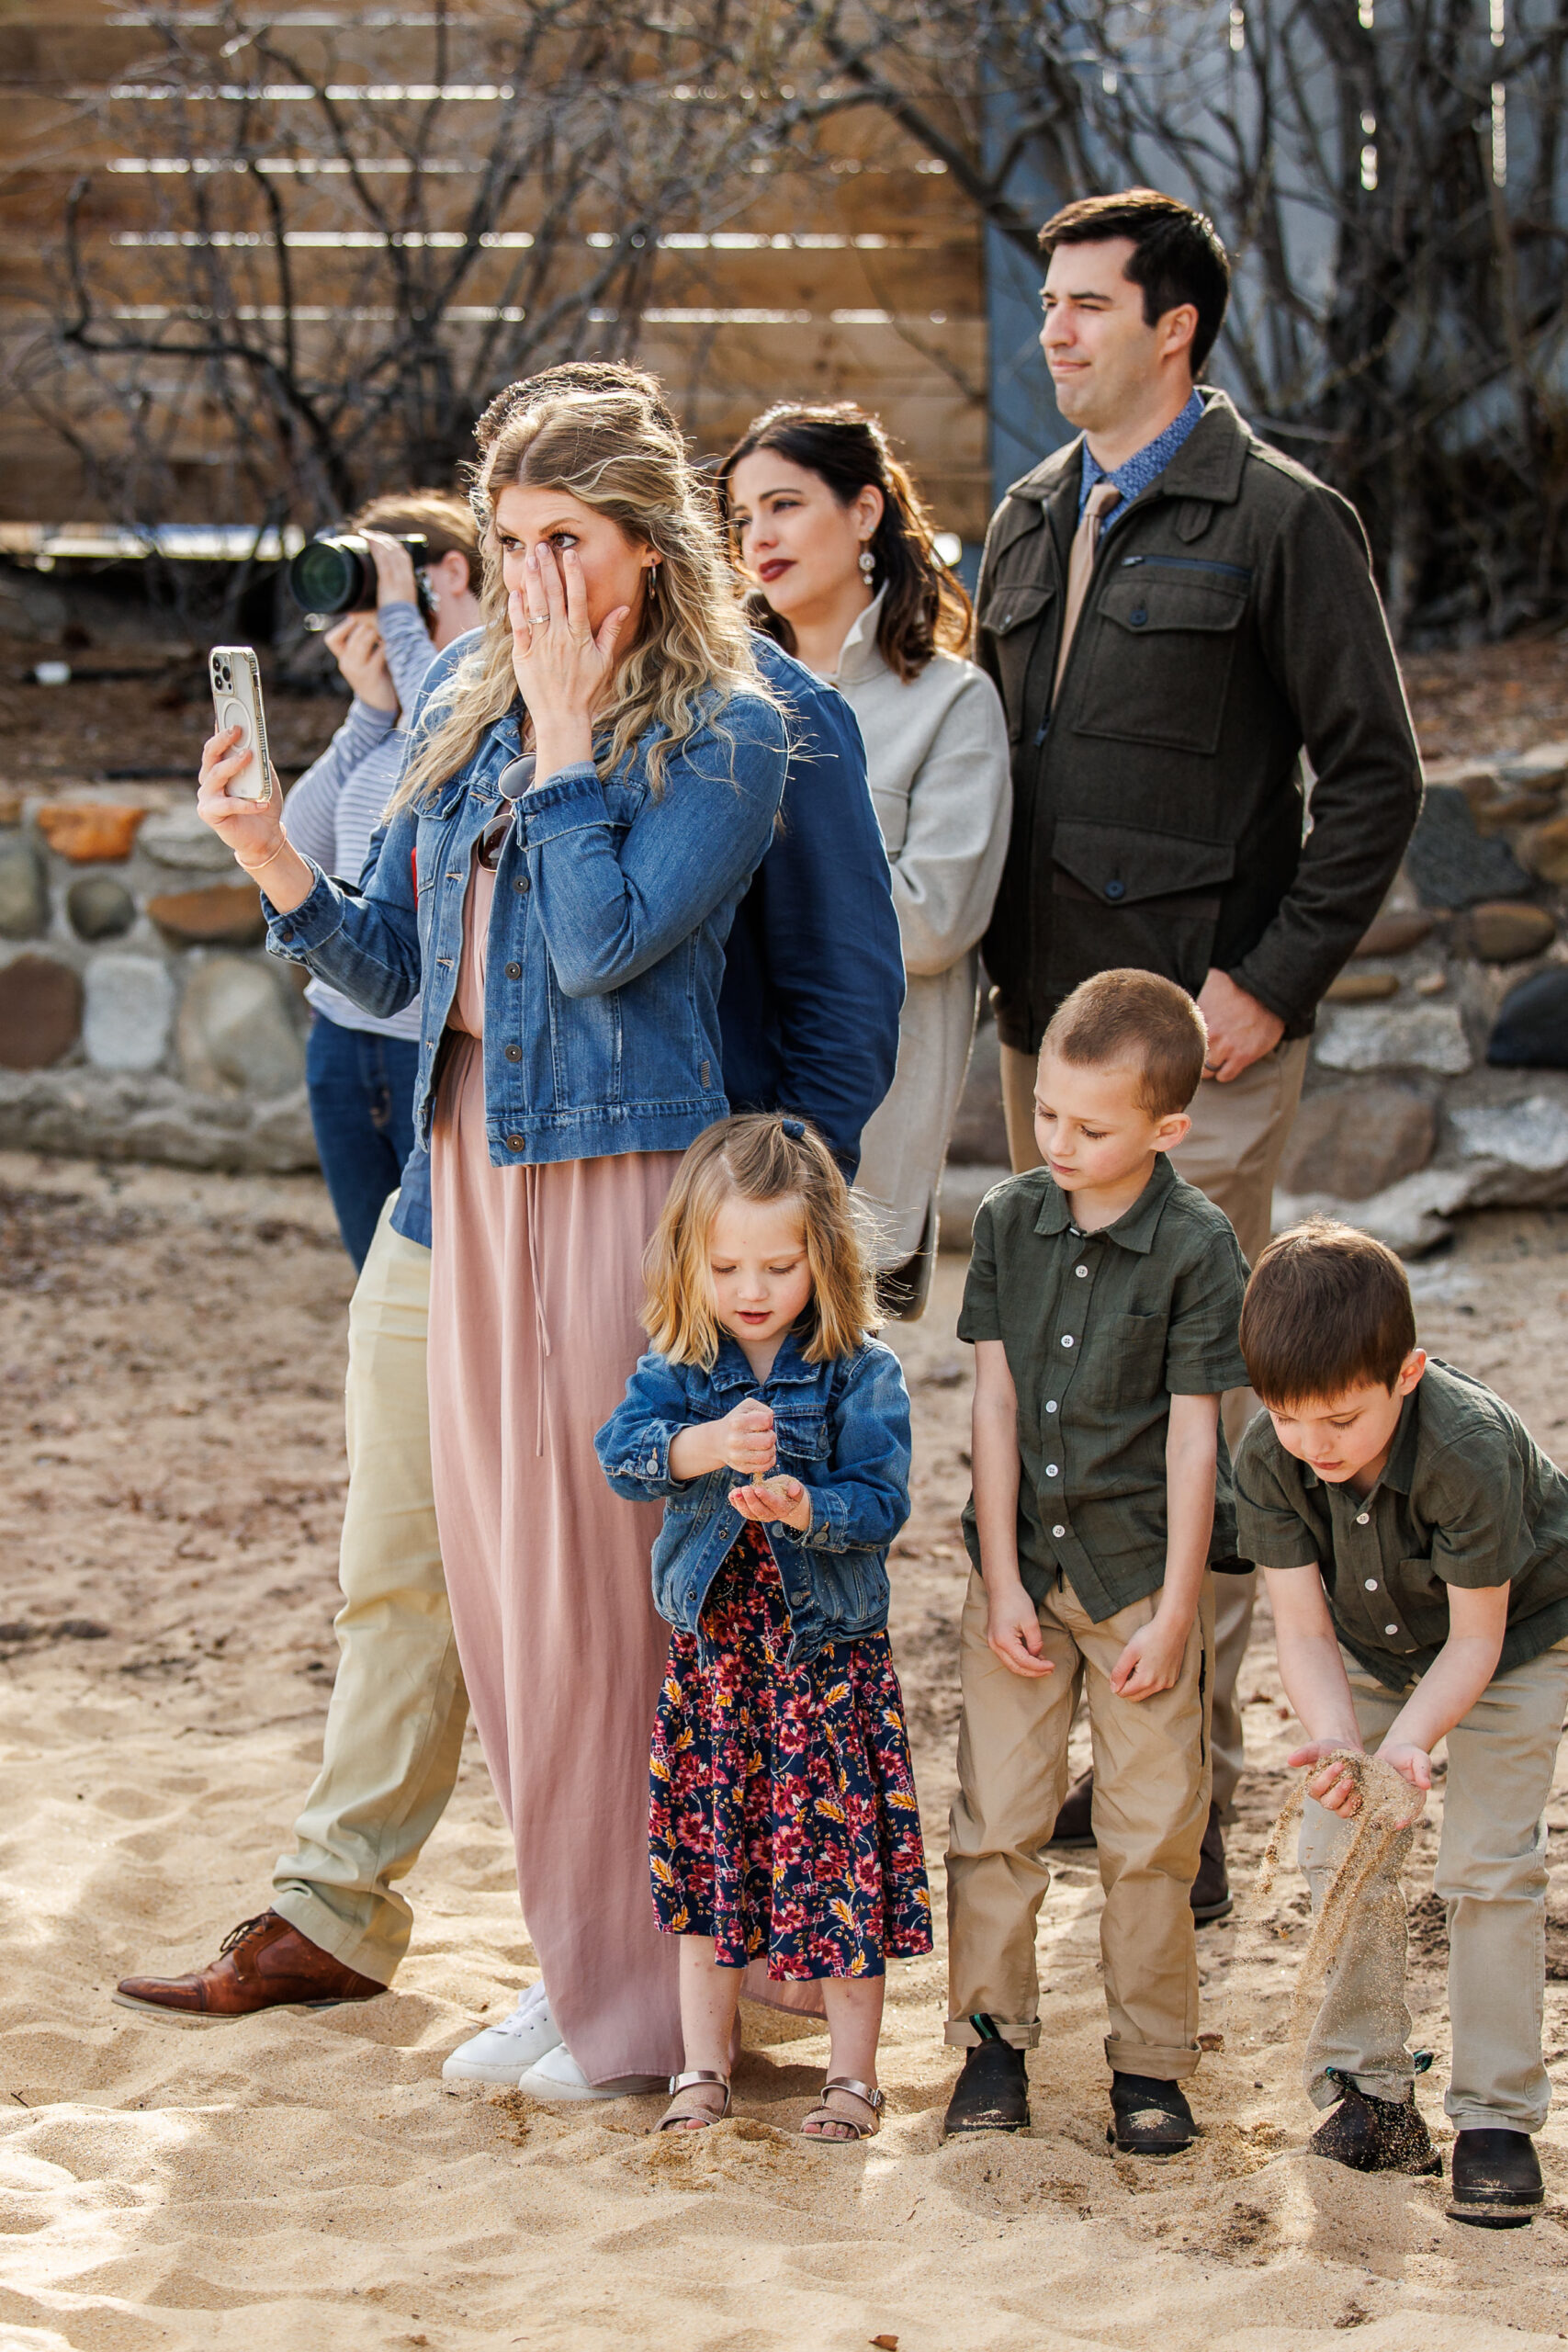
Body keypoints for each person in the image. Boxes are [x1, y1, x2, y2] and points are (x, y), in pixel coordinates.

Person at [112, 364, 904, 2100]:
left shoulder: (734, 722)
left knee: (620, 1605)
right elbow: (401, 976)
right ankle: (585, 1960)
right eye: (512, 539)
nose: (532, 573)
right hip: (466, 1170)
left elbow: (616, 944)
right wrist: (269, 857)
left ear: (648, 544)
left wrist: (559, 734)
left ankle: (641, 1998)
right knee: (506, 1600)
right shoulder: (471, 699)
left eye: (567, 540)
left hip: (633, 1189)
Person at [975, 187, 1423, 1912]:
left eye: (1088, 305)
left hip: (1201, 1067)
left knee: (1190, 1397)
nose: (1055, 332)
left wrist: (1275, 981)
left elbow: (1371, 772)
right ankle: (1105, 1757)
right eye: (1047, 305)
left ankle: (1197, 1802)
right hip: (1045, 1047)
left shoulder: (1282, 519)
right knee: (1067, 1388)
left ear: (1175, 326)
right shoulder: (1021, 519)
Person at [942, 969, 1249, 2147]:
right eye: (1050, 1116)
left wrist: (1177, 1615)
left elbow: (1193, 1442)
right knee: (996, 1822)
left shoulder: (1198, 1246)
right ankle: (990, 2047)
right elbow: (994, 1404)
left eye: (1092, 1125)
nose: (1059, 1141)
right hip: (1019, 1574)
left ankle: (1150, 2067)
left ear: (1167, 1129)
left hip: (1138, 1581)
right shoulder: (1014, 1219)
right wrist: (1003, 1583)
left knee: (1152, 1837)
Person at [595, 1113, 930, 2140]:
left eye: (778, 1265)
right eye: (727, 1264)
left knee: (840, 1872)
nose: (751, 1289)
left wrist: (804, 1506)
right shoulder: (681, 1369)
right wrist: (699, 1446)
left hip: (823, 1666)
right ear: (691, 1264)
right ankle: (704, 2067)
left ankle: (853, 2076)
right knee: (713, 1866)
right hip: (718, 1668)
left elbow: (883, 1503)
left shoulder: (857, 1372)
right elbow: (623, 1452)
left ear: (823, 1259)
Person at [1234, 1221, 1568, 2226]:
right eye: (1290, 1418)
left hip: (1515, 1641)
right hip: (1373, 1649)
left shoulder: (1465, 1446)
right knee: (1341, 1840)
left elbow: (1476, 1643)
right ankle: (1371, 2093)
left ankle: (1497, 2117)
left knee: (1489, 1866)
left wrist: (1409, 1749)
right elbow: (1297, 1626)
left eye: (1340, 1418)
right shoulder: (1271, 1452)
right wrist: (1342, 1744)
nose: (1313, 1444)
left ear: (1408, 1373)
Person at [719, 402, 1010, 1314]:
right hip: (714, 1089)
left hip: (865, 1112)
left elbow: (933, 921)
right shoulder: (709, 696)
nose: (757, 535)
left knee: (837, 1394)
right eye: (739, 518)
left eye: (784, 505)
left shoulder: (953, 703)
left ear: (865, 512)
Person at [283, 494, 483, 1267]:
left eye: (389, 589)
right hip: (340, 1035)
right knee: (377, 1282)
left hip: (429, 1047)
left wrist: (403, 625)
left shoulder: (497, 696)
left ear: (450, 574)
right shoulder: (393, 714)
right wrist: (366, 713)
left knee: (447, 1281)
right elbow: (300, 843)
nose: (377, 615)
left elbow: (451, 755)